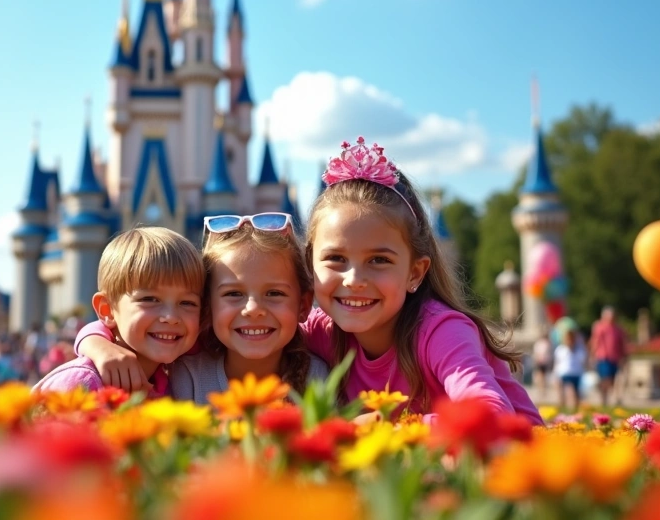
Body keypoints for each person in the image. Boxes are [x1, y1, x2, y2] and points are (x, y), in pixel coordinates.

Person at [78, 136, 541, 424]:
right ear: (312, 271)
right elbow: (161, 330)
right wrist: (98, 342)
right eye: (336, 259)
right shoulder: (320, 333)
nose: (355, 279)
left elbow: (489, 413)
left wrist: (389, 428)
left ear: (416, 271)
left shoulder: (439, 332)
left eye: (379, 260)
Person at [75, 213, 330, 404]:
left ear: (303, 305)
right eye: (233, 294)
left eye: (274, 294)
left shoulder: (319, 376)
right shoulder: (186, 370)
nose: (253, 309)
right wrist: (100, 346)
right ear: (208, 306)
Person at [35, 226, 203, 395]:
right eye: (150, 299)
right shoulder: (83, 383)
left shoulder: (172, 386)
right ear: (107, 309)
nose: (171, 317)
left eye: (187, 303)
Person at [589, 306, 627, 408]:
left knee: (612, 381)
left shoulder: (617, 329)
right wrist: (592, 355)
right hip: (603, 357)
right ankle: (604, 399)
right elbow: (595, 342)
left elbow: (621, 344)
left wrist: (624, 356)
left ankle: (605, 396)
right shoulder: (600, 327)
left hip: (614, 358)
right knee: (606, 379)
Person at [554, 328, 586, 412]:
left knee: (576, 393)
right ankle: (565, 408)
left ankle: (575, 409)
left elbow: (582, 360)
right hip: (564, 373)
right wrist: (555, 374)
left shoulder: (579, 350)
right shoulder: (561, 349)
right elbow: (557, 363)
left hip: (576, 373)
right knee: (568, 391)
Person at [531, 331, 553, 400]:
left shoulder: (545, 343)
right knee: (541, 376)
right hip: (541, 361)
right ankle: (541, 389)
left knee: (542, 376)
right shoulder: (543, 343)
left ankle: (543, 389)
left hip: (544, 361)